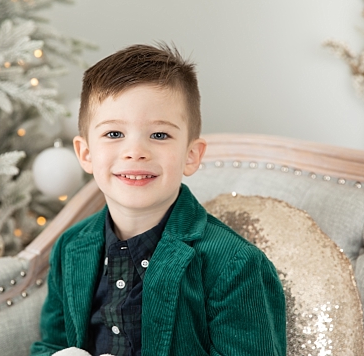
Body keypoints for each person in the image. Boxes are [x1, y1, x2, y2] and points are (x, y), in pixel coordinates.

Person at [32, 44, 287, 356]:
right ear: (86, 154)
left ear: (191, 156)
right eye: (114, 134)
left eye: (159, 135)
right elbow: (51, 344)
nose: (135, 151)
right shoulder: (71, 248)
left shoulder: (235, 264)